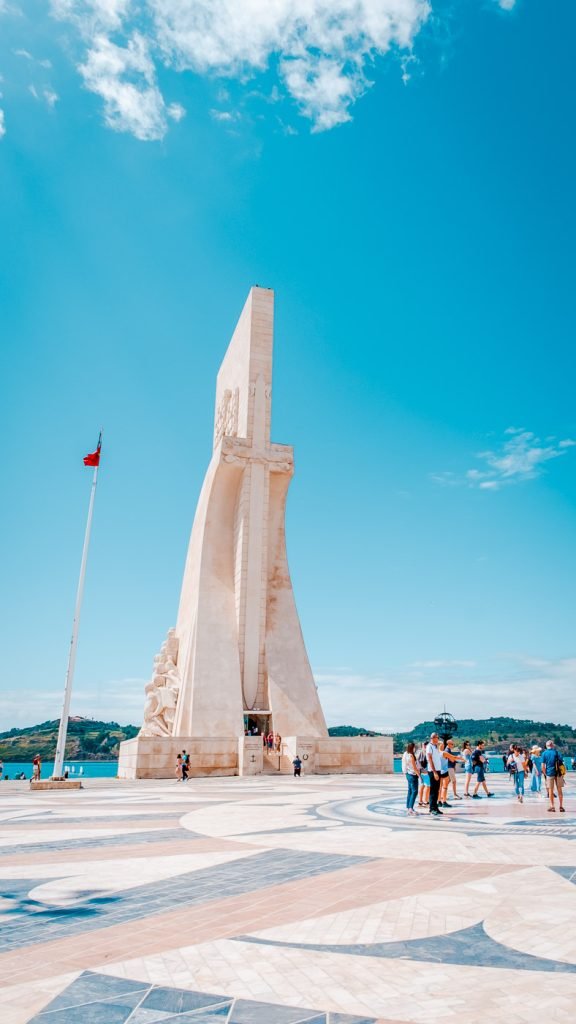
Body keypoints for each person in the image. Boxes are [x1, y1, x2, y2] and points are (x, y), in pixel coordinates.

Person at [541, 739, 565, 812]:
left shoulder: (544, 753)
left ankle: (552, 806)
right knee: (559, 790)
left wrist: (545, 774)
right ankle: (561, 806)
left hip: (549, 773)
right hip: (558, 773)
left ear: (546, 746)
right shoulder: (557, 752)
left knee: (551, 790)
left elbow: (542, 766)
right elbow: (561, 763)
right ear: (552, 745)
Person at [426, 732, 443, 816]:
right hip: (433, 771)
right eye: (437, 737)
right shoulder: (429, 747)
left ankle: (435, 807)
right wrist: (435, 772)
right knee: (433, 790)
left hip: (438, 770)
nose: (438, 739)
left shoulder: (435, 747)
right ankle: (432, 809)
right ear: (433, 738)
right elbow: (430, 760)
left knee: (436, 790)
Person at [402, 742, 421, 815]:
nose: (415, 748)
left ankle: (408, 807)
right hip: (413, 775)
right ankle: (410, 808)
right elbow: (414, 767)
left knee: (410, 791)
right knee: (415, 791)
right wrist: (419, 775)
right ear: (412, 748)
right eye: (414, 747)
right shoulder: (411, 756)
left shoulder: (405, 754)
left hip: (407, 774)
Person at [438, 742, 452, 808]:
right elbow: (452, 758)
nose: (443, 746)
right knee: (445, 787)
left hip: (438, 771)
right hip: (444, 771)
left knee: (439, 787)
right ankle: (444, 801)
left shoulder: (436, 753)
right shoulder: (444, 753)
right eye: (442, 745)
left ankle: (439, 801)